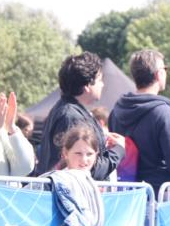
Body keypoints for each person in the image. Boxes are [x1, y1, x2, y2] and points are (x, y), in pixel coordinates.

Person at [109, 49, 170, 194]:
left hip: (126, 194)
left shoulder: (116, 111)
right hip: (158, 196)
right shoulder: (164, 113)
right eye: (165, 68)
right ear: (159, 74)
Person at [36, 52, 125, 180]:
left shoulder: (67, 110)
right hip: (72, 195)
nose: (102, 84)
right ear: (87, 86)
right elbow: (88, 168)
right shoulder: (71, 117)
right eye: (100, 80)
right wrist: (118, 150)